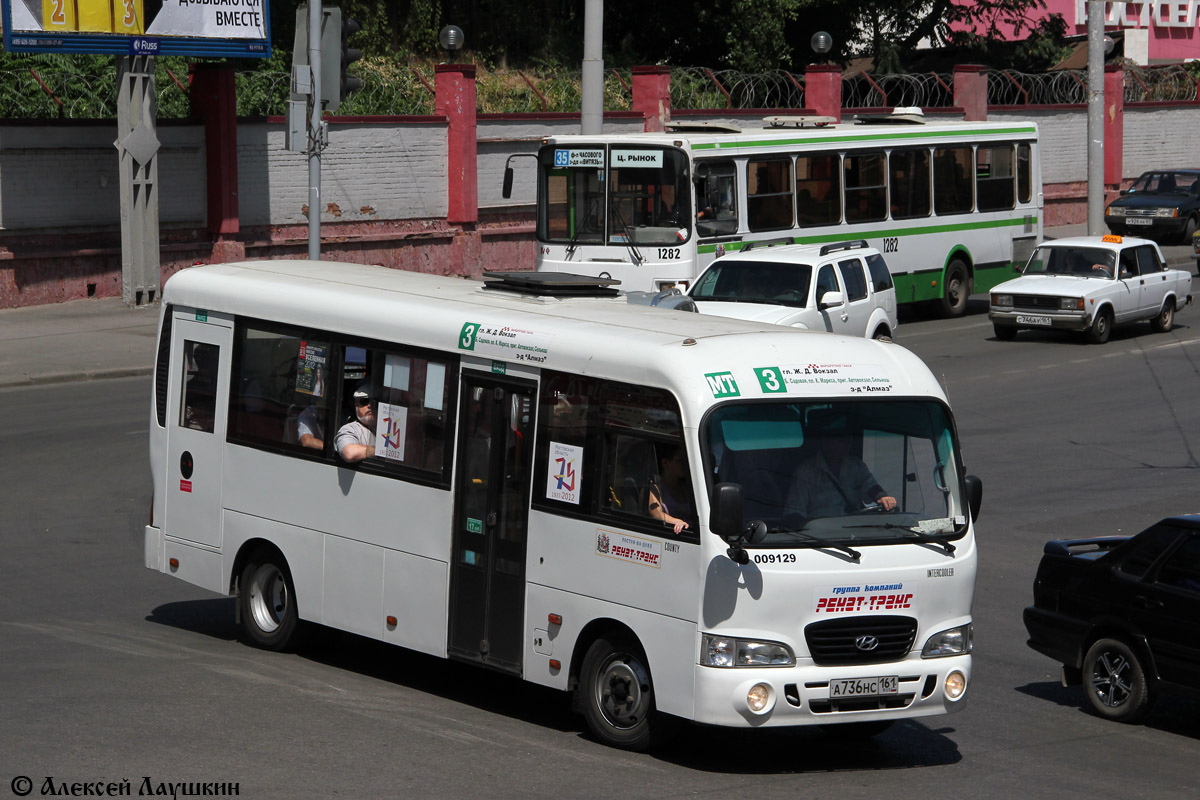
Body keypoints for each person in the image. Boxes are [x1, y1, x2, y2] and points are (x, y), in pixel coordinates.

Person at [783, 412, 897, 522]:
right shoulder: (806, 472)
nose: (846, 444)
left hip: (855, 532)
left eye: (848, 440)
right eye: (840, 440)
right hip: (819, 535)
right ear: (825, 442)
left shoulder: (855, 466)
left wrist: (883, 497)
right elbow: (794, 513)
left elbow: (870, 486)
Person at [648, 445, 696, 534]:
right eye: (680, 461)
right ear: (665, 463)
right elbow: (657, 514)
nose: (684, 464)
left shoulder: (687, 488)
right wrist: (678, 522)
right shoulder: (654, 489)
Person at [336, 380, 376, 462]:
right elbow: (349, 453)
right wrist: (381, 452)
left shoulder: (390, 428)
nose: (369, 405)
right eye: (364, 401)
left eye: (375, 402)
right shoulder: (350, 429)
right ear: (356, 405)